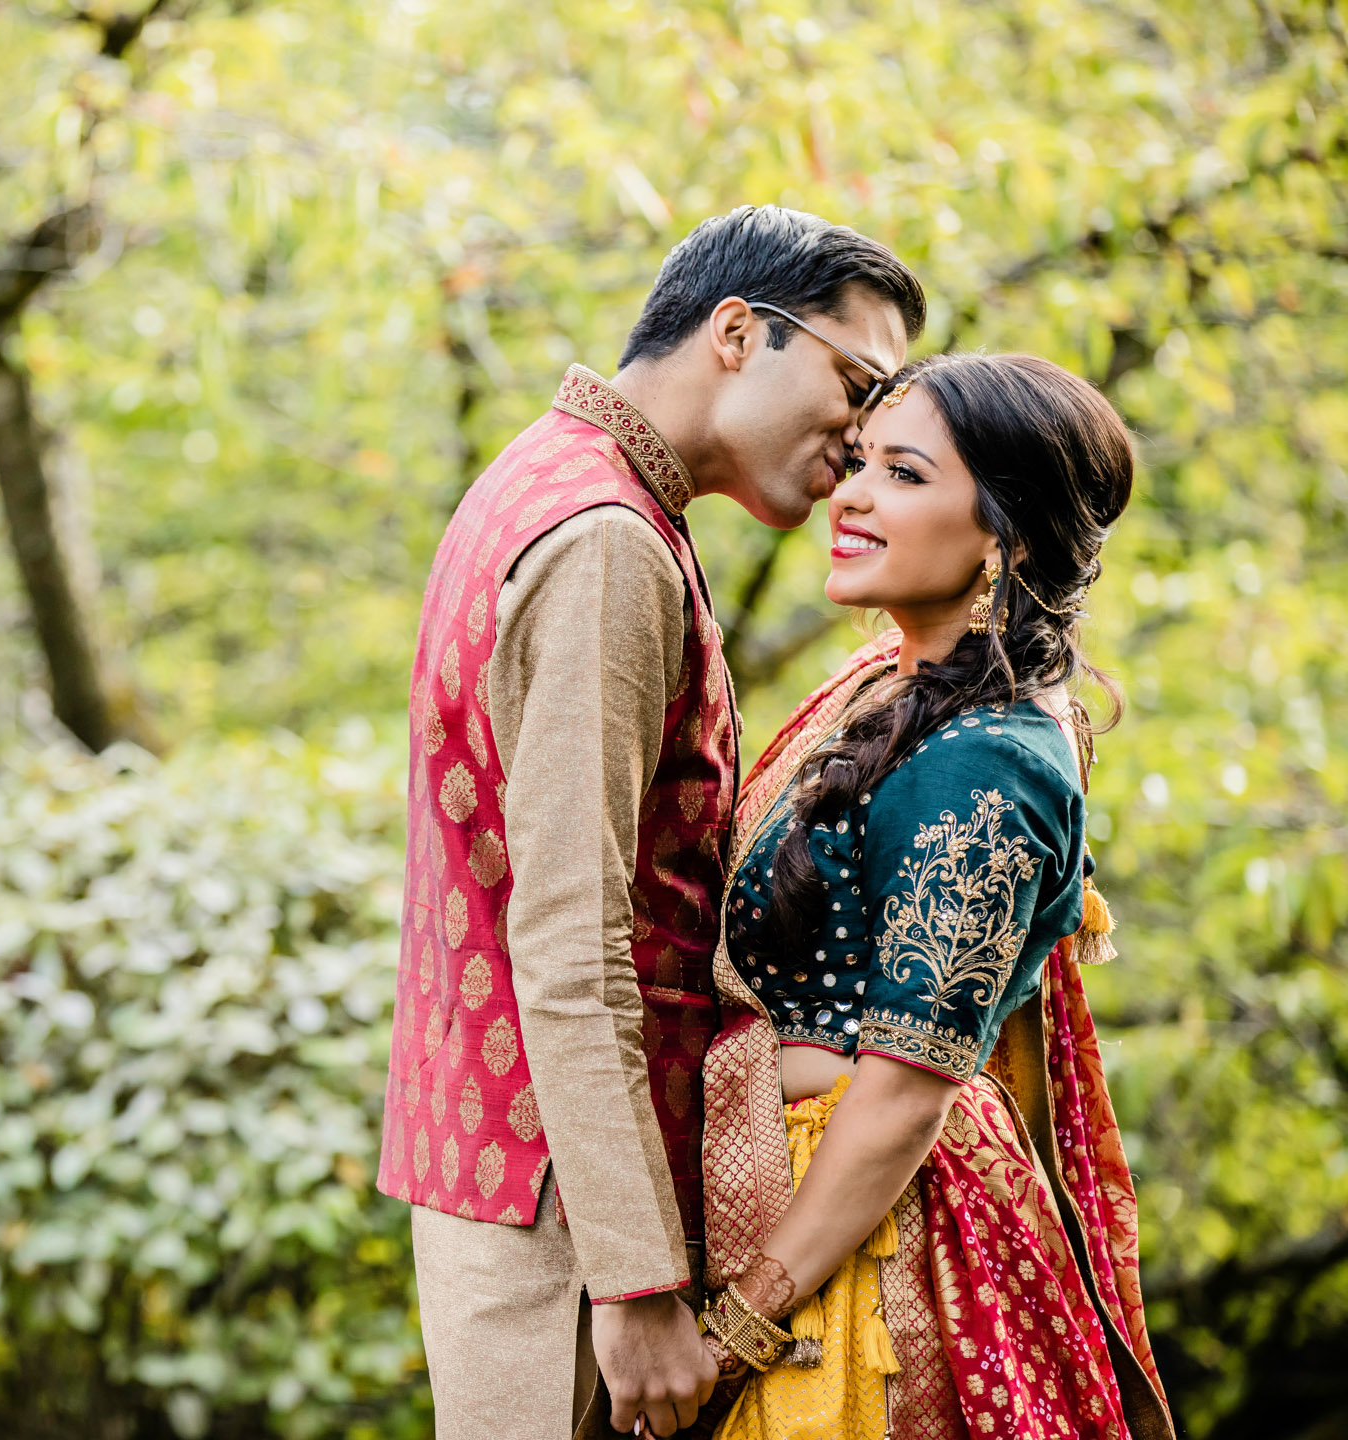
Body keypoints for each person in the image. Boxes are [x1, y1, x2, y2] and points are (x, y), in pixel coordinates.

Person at [375, 205, 922, 1440]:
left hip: (515, 1176)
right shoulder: (608, 543)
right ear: (738, 331)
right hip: (569, 1226)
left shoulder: (542, 477)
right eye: (857, 381)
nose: (866, 434)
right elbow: (569, 939)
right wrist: (634, 1284)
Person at [697, 353, 1176, 1440]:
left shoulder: (992, 763)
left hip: (877, 1257)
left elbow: (906, 1091)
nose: (851, 494)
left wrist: (741, 1330)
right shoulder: (899, 689)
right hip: (811, 1203)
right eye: (858, 462)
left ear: (1004, 533)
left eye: (903, 474)